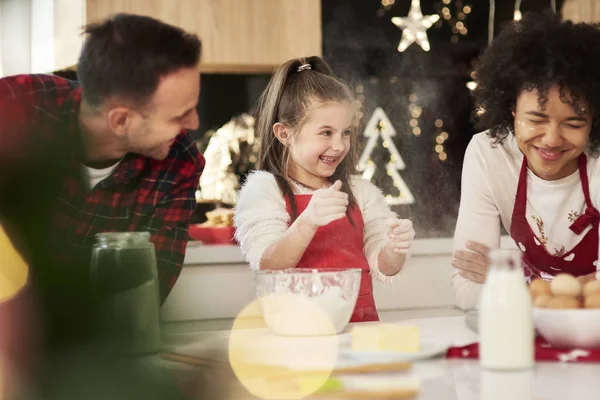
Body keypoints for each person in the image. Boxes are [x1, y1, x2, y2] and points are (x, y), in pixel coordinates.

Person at [0, 13, 205, 345]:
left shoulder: (179, 163)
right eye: (180, 114)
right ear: (121, 120)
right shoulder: (13, 107)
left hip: (84, 356)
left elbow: (141, 303)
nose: (195, 123)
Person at [233, 56, 415, 322]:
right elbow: (268, 265)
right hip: (295, 336)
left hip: (360, 333)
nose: (340, 145)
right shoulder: (264, 190)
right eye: (326, 133)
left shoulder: (361, 192)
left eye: (346, 132)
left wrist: (394, 248)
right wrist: (307, 222)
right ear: (284, 134)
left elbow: (384, 266)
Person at [451, 12, 600, 310]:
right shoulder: (488, 155)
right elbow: (466, 285)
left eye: (573, 124)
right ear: (512, 110)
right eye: (536, 119)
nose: (552, 139)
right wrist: (563, 294)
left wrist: (514, 283)